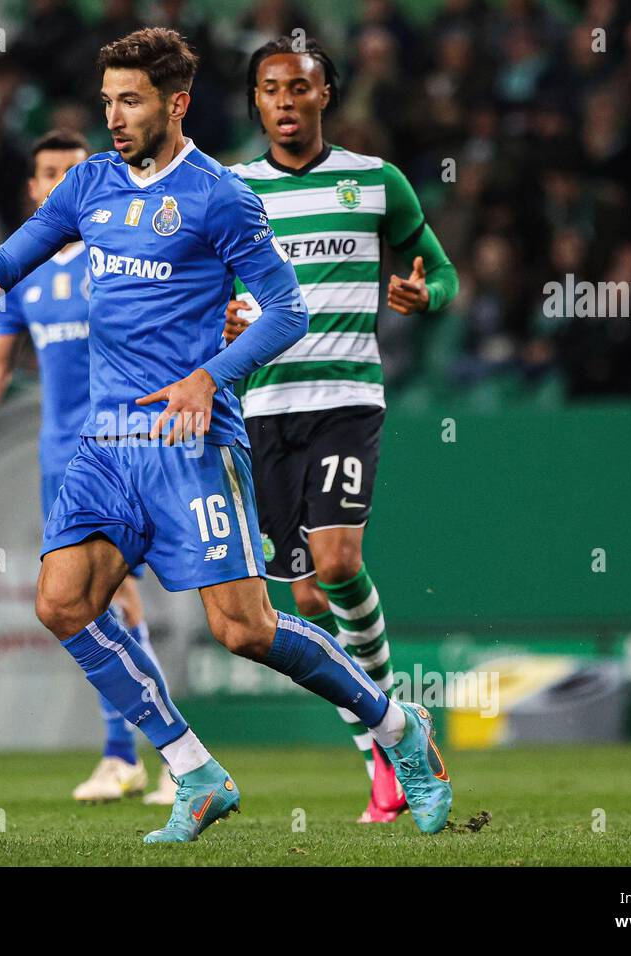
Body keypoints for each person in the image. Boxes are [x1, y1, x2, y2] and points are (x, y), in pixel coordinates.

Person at [0, 27, 452, 842]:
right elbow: (8, 263)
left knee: (243, 629)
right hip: (106, 446)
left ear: (176, 103)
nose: (115, 117)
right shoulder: (87, 186)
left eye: (132, 101)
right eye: (107, 101)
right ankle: (193, 770)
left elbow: (289, 309)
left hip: (194, 441)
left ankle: (398, 728)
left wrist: (210, 375)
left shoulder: (219, 196)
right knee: (62, 602)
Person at [222, 38, 460, 823]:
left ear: (328, 96)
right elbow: (205, 298)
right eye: (270, 89)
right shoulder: (232, 191)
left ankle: (393, 748)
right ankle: (387, 754)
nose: (285, 101)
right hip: (264, 411)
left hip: (345, 399)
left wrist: (429, 296)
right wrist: (217, 323)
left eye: (300, 87)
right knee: (305, 599)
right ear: (255, 102)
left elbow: (442, 269)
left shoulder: (374, 181)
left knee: (336, 562)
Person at [0, 129, 176, 806]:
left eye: (74, 169)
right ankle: (128, 757)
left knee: (115, 599)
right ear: (34, 188)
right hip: (59, 457)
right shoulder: (19, 271)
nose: (61, 179)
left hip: (125, 446)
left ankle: (170, 758)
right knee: (86, 607)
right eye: (48, 172)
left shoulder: (123, 251)